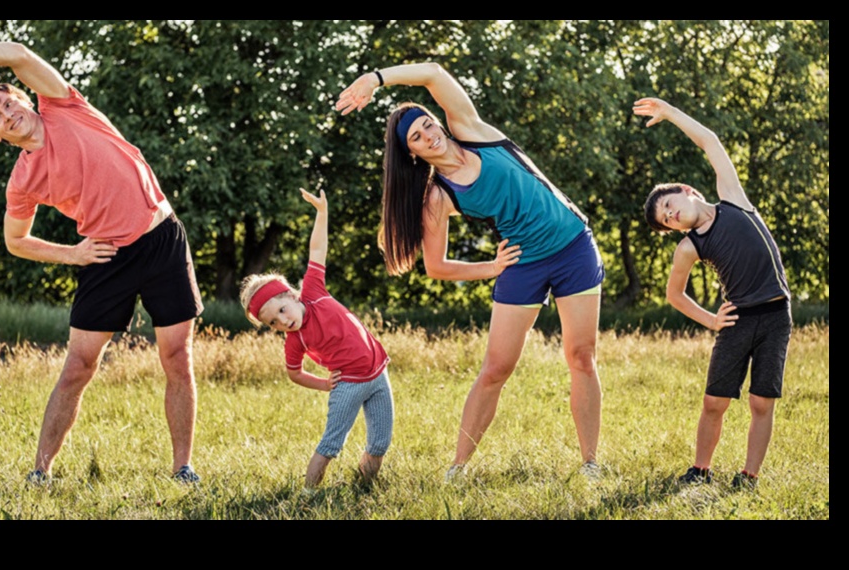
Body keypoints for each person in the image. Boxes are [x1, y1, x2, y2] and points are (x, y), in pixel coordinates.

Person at [0, 41, 205, 485]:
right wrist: (72, 254)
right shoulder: (22, 181)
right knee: (78, 367)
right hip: (105, 256)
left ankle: (182, 468)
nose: (7, 114)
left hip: (161, 240)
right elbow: (15, 241)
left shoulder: (62, 105)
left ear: (23, 97)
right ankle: (40, 472)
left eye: (8, 103)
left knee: (176, 357)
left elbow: (16, 53)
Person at [335, 62, 604, 480]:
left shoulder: (472, 131)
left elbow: (433, 73)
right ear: (412, 153)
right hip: (523, 263)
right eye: (417, 137)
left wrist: (375, 79)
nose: (429, 135)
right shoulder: (439, 196)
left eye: (428, 124)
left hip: (574, 247)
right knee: (496, 369)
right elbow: (436, 266)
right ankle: (457, 468)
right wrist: (491, 267)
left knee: (581, 357)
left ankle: (590, 463)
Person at [636, 97, 792, 490]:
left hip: (776, 316)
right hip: (737, 321)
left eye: (669, 205)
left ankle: (749, 476)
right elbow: (675, 294)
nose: (671, 216)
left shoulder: (733, 199)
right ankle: (700, 470)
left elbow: (710, 141)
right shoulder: (690, 247)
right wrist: (711, 320)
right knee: (714, 402)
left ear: (687, 191)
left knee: (761, 402)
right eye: (666, 220)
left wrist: (670, 113)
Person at [239, 188, 394, 489]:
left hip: (378, 373)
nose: (282, 321)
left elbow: (318, 249)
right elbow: (294, 373)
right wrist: (323, 384)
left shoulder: (314, 291)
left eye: (281, 310)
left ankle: (364, 487)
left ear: (291, 295)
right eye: (273, 323)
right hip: (348, 384)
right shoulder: (294, 341)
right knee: (331, 445)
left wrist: (322, 212)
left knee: (379, 443)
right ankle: (308, 494)